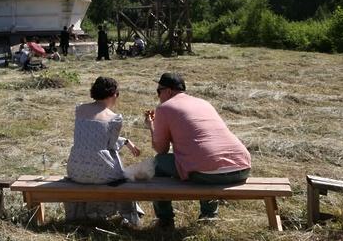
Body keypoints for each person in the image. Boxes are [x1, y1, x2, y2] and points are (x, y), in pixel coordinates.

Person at [146, 73, 252, 228]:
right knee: (204, 160)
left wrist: (152, 128)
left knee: (155, 163)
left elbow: (161, 150)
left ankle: (165, 219)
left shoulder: (164, 108)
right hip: (242, 167)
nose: (158, 95)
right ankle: (209, 217)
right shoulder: (204, 103)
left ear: (168, 91)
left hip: (207, 172)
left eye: (158, 91)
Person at [65, 77, 144, 225]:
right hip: (101, 174)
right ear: (113, 94)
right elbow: (110, 145)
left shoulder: (80, 109)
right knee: (123, 173)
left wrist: (126, 141)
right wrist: (126, 142)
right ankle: (131, 215)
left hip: (75, 170)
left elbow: (92, 138)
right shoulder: (114, 118)